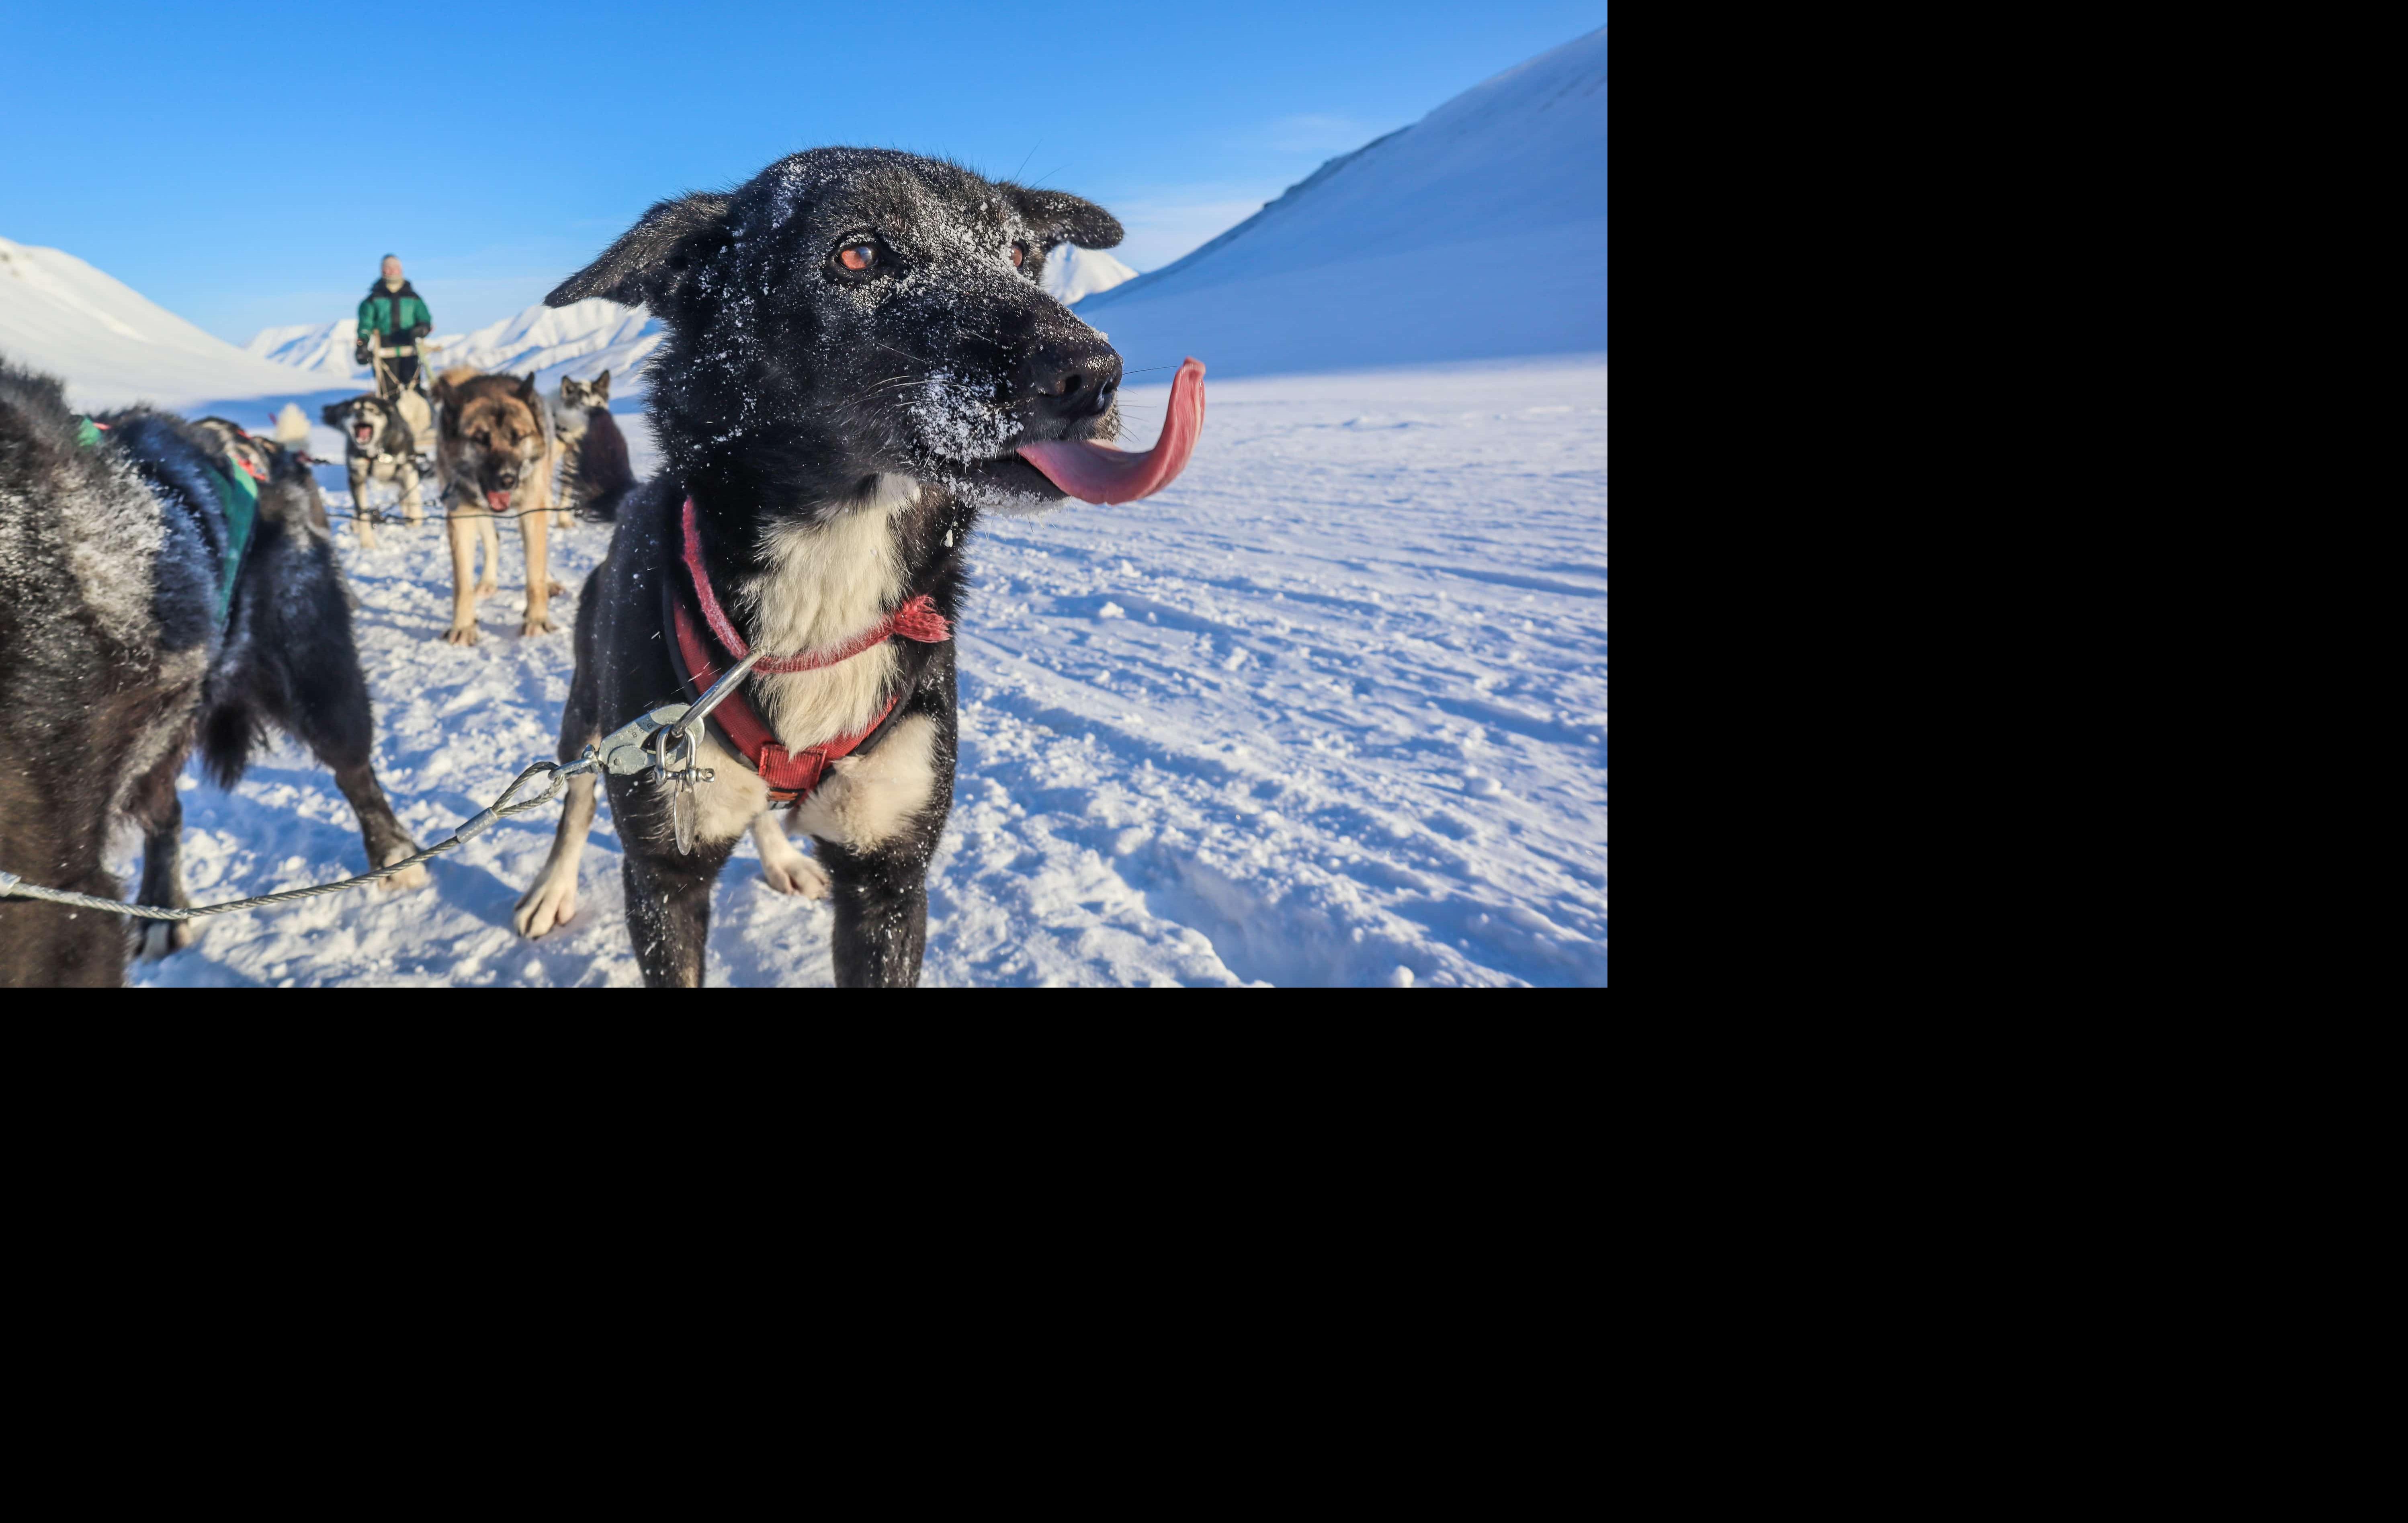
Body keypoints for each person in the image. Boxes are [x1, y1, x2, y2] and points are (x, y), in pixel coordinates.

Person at [355, 255, 432, 395]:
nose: (391, 272)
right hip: (384, 349)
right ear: (382, 271)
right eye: (387, 269)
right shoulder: (373, 300)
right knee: (389, 393)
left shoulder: (413, 298)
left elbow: (425, 319)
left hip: (410, 346)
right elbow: (365, 327)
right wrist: (361, 345)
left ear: (401, 270)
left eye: (394, 268)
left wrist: (422, 329)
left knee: (414, 389)